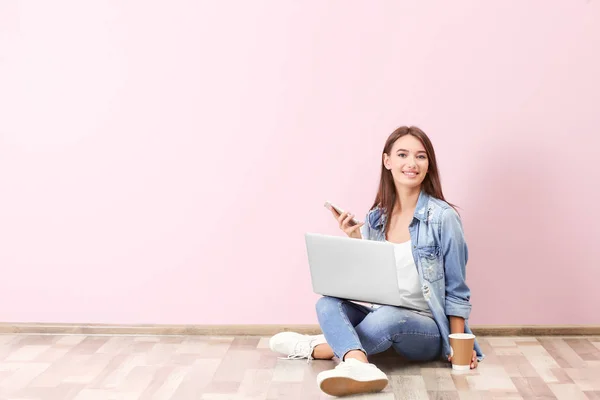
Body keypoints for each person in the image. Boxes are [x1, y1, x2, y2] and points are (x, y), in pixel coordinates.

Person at [269, 126, 484, 397]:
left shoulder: (443, 218)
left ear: (428, 165)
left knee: (391, 317)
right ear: (387, 161)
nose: (411, 163)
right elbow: (375, 281)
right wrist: (356, 238)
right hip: (382, 314)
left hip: (426, 327)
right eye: (403, 154)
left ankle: (320, 347)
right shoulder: (376, 218)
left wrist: (458, 345)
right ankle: (358, 364)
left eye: (420, 156)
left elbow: (456, 290)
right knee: (327, 302)